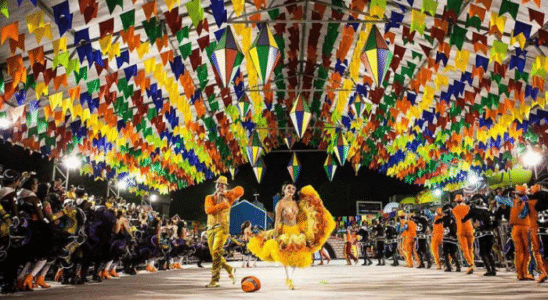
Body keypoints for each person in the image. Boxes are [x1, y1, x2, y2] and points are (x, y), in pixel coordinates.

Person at [248, 183, 335, 290]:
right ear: (283, 190)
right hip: (285, 231)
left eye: (293, 188)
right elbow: (277, 220)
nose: (291, 190)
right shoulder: (280, 204)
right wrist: (276, 233)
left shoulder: (297, 204)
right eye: (288, 188)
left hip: (297, 231)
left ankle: (291, 278)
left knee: (296, 256)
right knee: (285, 256)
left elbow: (303, 216)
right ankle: (288, 279)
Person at [204, 176, 244, 288]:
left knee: (216, 250)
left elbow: (240, 190)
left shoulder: (229, 198)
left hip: (222, 228)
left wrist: (227, 194)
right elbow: (208, 210)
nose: (220, 186)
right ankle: (229, 268)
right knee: (214, 254)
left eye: (223, 185)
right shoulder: (209, 197)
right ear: (215, 185)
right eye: (219, 184)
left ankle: (214, 279)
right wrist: (222, 205)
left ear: (226, 186)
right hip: (210, 228)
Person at [462, 194, 498, 276]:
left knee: (483, 252)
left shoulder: (475, 211)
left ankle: (489, 270)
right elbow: (495, 222)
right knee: (489, 252)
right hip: (490, 233)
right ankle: (493, 269)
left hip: (482, 234)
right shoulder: (488, 210)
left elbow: (464, 219)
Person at [511, 184, 533, 280]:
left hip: (515, 228)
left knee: (518, 251)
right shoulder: (528, 202)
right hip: (526, 227)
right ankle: (525, 272)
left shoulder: (513, 202)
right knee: (527, 251)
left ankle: (520, 274)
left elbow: (498, 198)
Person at [452, 194, 475, 274]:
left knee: (465, 249)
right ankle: (471, 264)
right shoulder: (467, 207)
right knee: (470, 248)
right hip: (469, 228)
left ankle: (470, 263)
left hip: (460, 229)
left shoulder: (454, 210)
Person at [436, 204, 461, 272]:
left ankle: (449, 267)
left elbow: (437, 222)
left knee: (446, 254)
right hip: (453, 238)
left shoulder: (445, 218)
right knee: (452, 254)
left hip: (447, 238)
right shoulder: (453, 218)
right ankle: (458, 267)